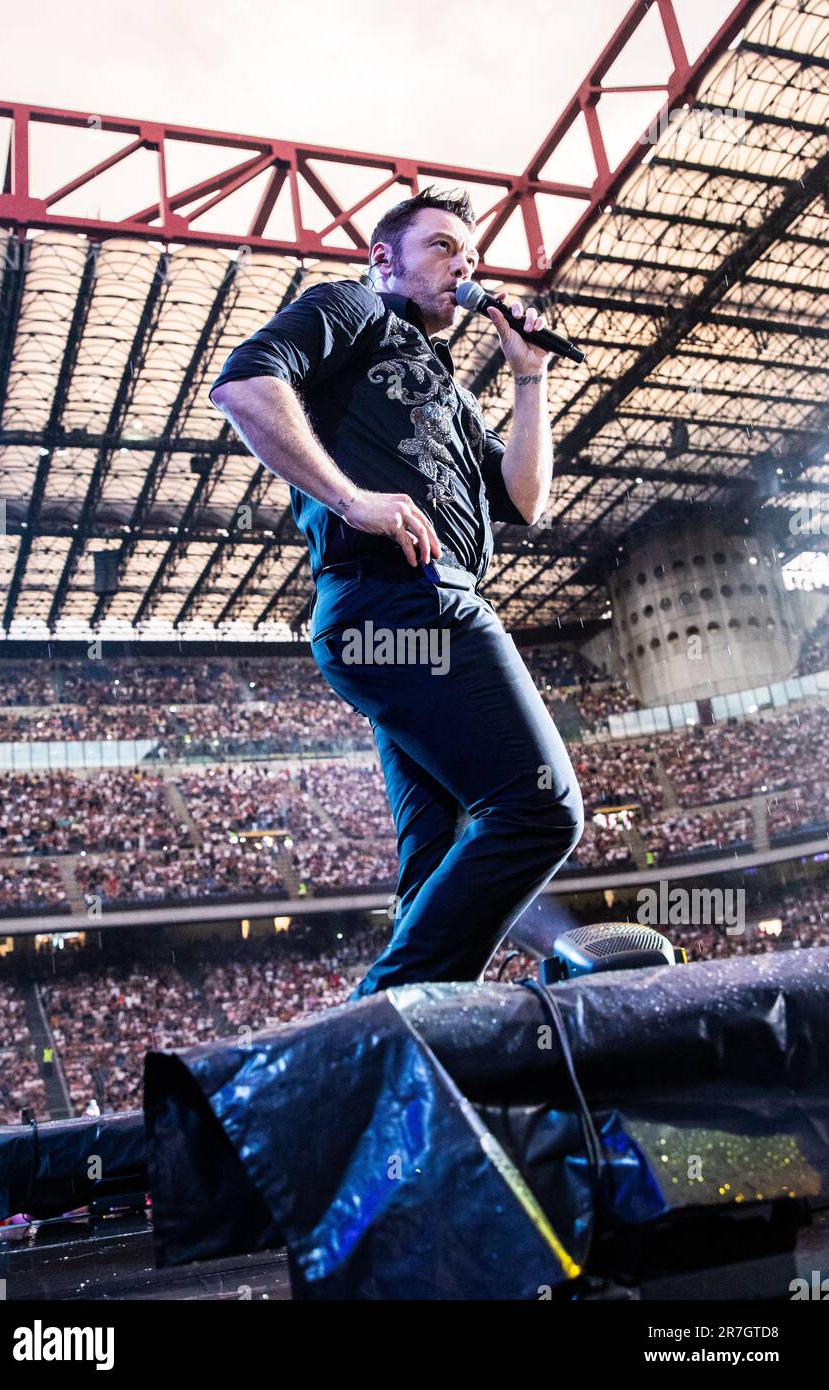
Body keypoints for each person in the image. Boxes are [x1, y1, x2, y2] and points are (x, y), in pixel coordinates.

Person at [209, 186, 584, 997]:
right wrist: (351, 498)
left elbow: (524, 501)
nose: (465, 268)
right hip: (404, 598)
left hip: (405, 620)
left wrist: (530, 379)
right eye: (444, 248)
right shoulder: (353, 309)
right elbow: (244, 383)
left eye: (473, 256)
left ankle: (414, 1039)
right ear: (385, 259)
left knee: (439, 853)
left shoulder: (449, 388)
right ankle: (385, 1020)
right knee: (540, 807)